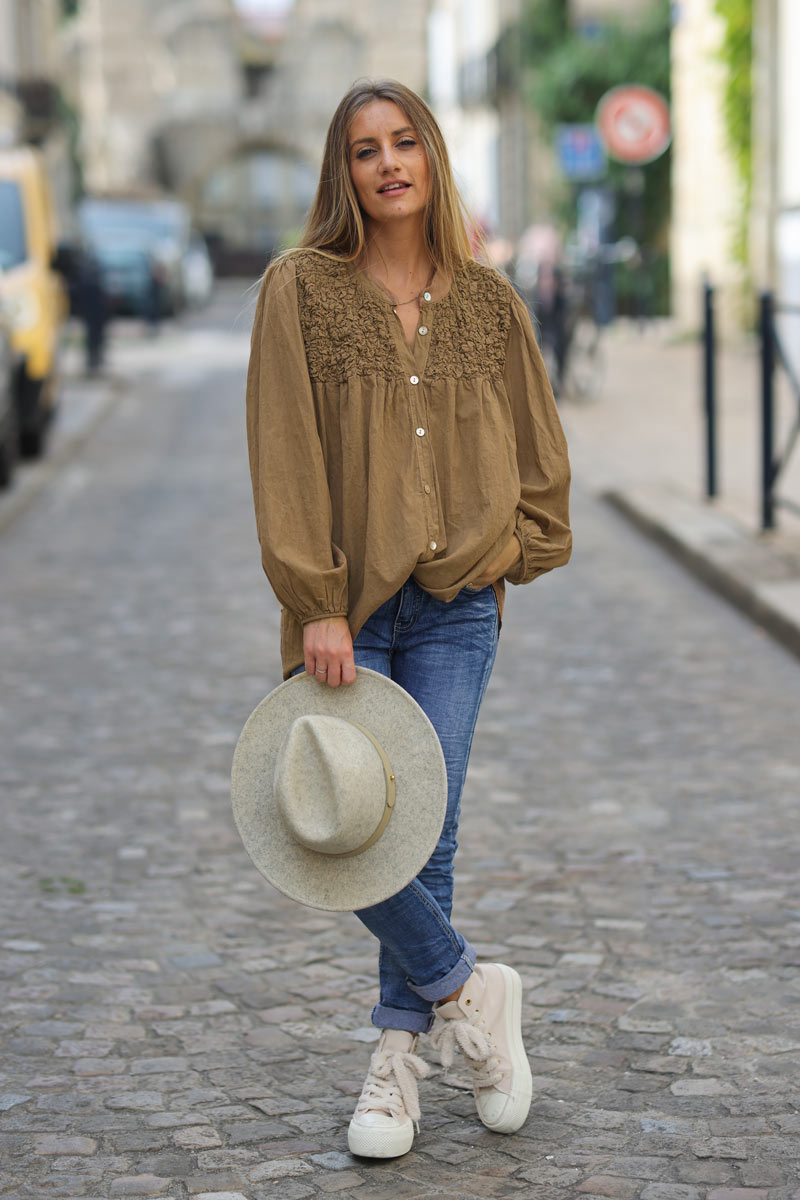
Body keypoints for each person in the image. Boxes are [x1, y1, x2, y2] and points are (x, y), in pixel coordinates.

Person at [245, 79, 572, 1160]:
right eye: (362, 151)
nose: (385, 164)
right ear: (339, 174)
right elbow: (285, 457)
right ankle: (467, 994)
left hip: (454, 614)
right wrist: (316, 604)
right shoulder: (299, 291)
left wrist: (508, 554)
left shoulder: (487, 302)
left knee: (419, 832)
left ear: (431, 157)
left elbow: (540, 464)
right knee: (347, 831)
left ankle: (394, 1059)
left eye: (402, 144)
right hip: (351, 616)